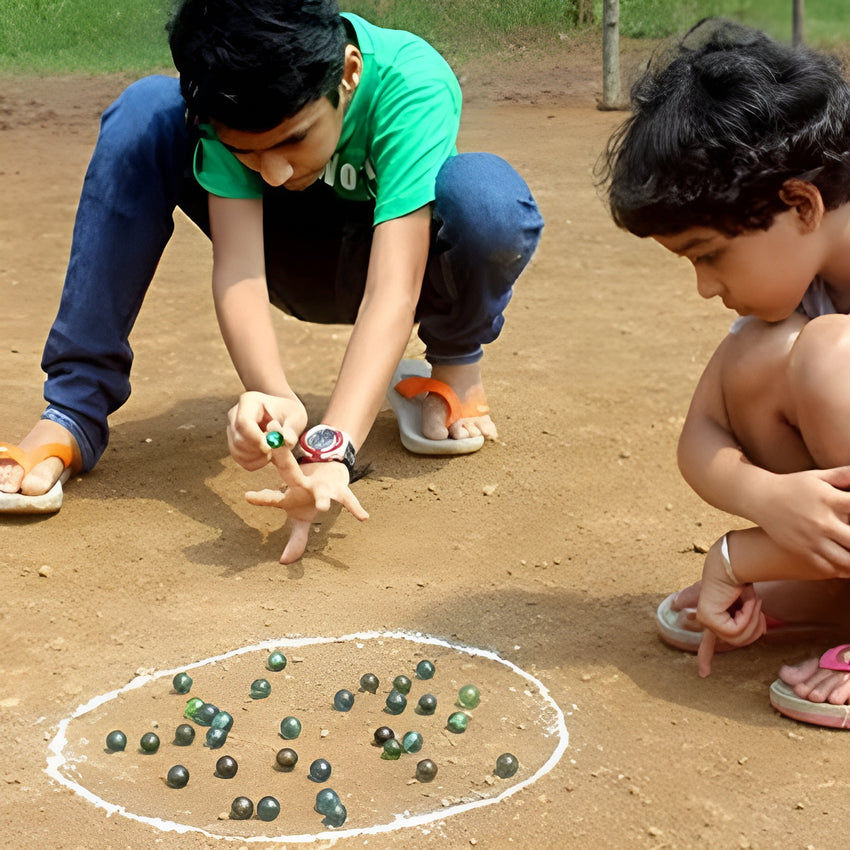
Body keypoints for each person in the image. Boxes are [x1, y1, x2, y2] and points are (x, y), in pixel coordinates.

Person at [0, 0, 543, 561]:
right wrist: (277, 400)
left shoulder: (410, 79)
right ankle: (73, 411)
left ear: (349, 73)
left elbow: (393, 288)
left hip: (389, 263)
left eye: (293, 139)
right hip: (280, 259)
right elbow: (238, 268)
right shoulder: (223, 95)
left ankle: (452, 369)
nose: (276, 170)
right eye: (248, 152)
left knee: (486, 200)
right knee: (145, 112)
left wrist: (333, 450)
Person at [601, 18, 850, 728]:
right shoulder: (802, 277)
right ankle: (835, 595)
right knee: (758, 357)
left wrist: (741, 556)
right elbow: (704, 429)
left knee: (832, 357)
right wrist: (769, 500)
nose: (705, 287)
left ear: (800, 203)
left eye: (709, 255)